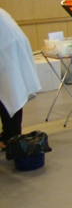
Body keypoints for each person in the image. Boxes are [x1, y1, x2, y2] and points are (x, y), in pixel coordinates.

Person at [0, 9, 41, 149]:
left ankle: (11, 139)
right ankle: (8, 135)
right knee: (10, 95)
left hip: (7, 50)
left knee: (10, 95)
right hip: (10, 47)